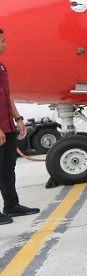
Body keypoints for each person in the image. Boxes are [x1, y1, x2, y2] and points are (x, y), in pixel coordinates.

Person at [0, 28, 40, 225]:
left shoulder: (1, 67)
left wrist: (18, 118)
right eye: (2, 41)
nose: (5, 44)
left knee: (8, 167)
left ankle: (11, 205)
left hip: (7, 126)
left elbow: (6, 96)